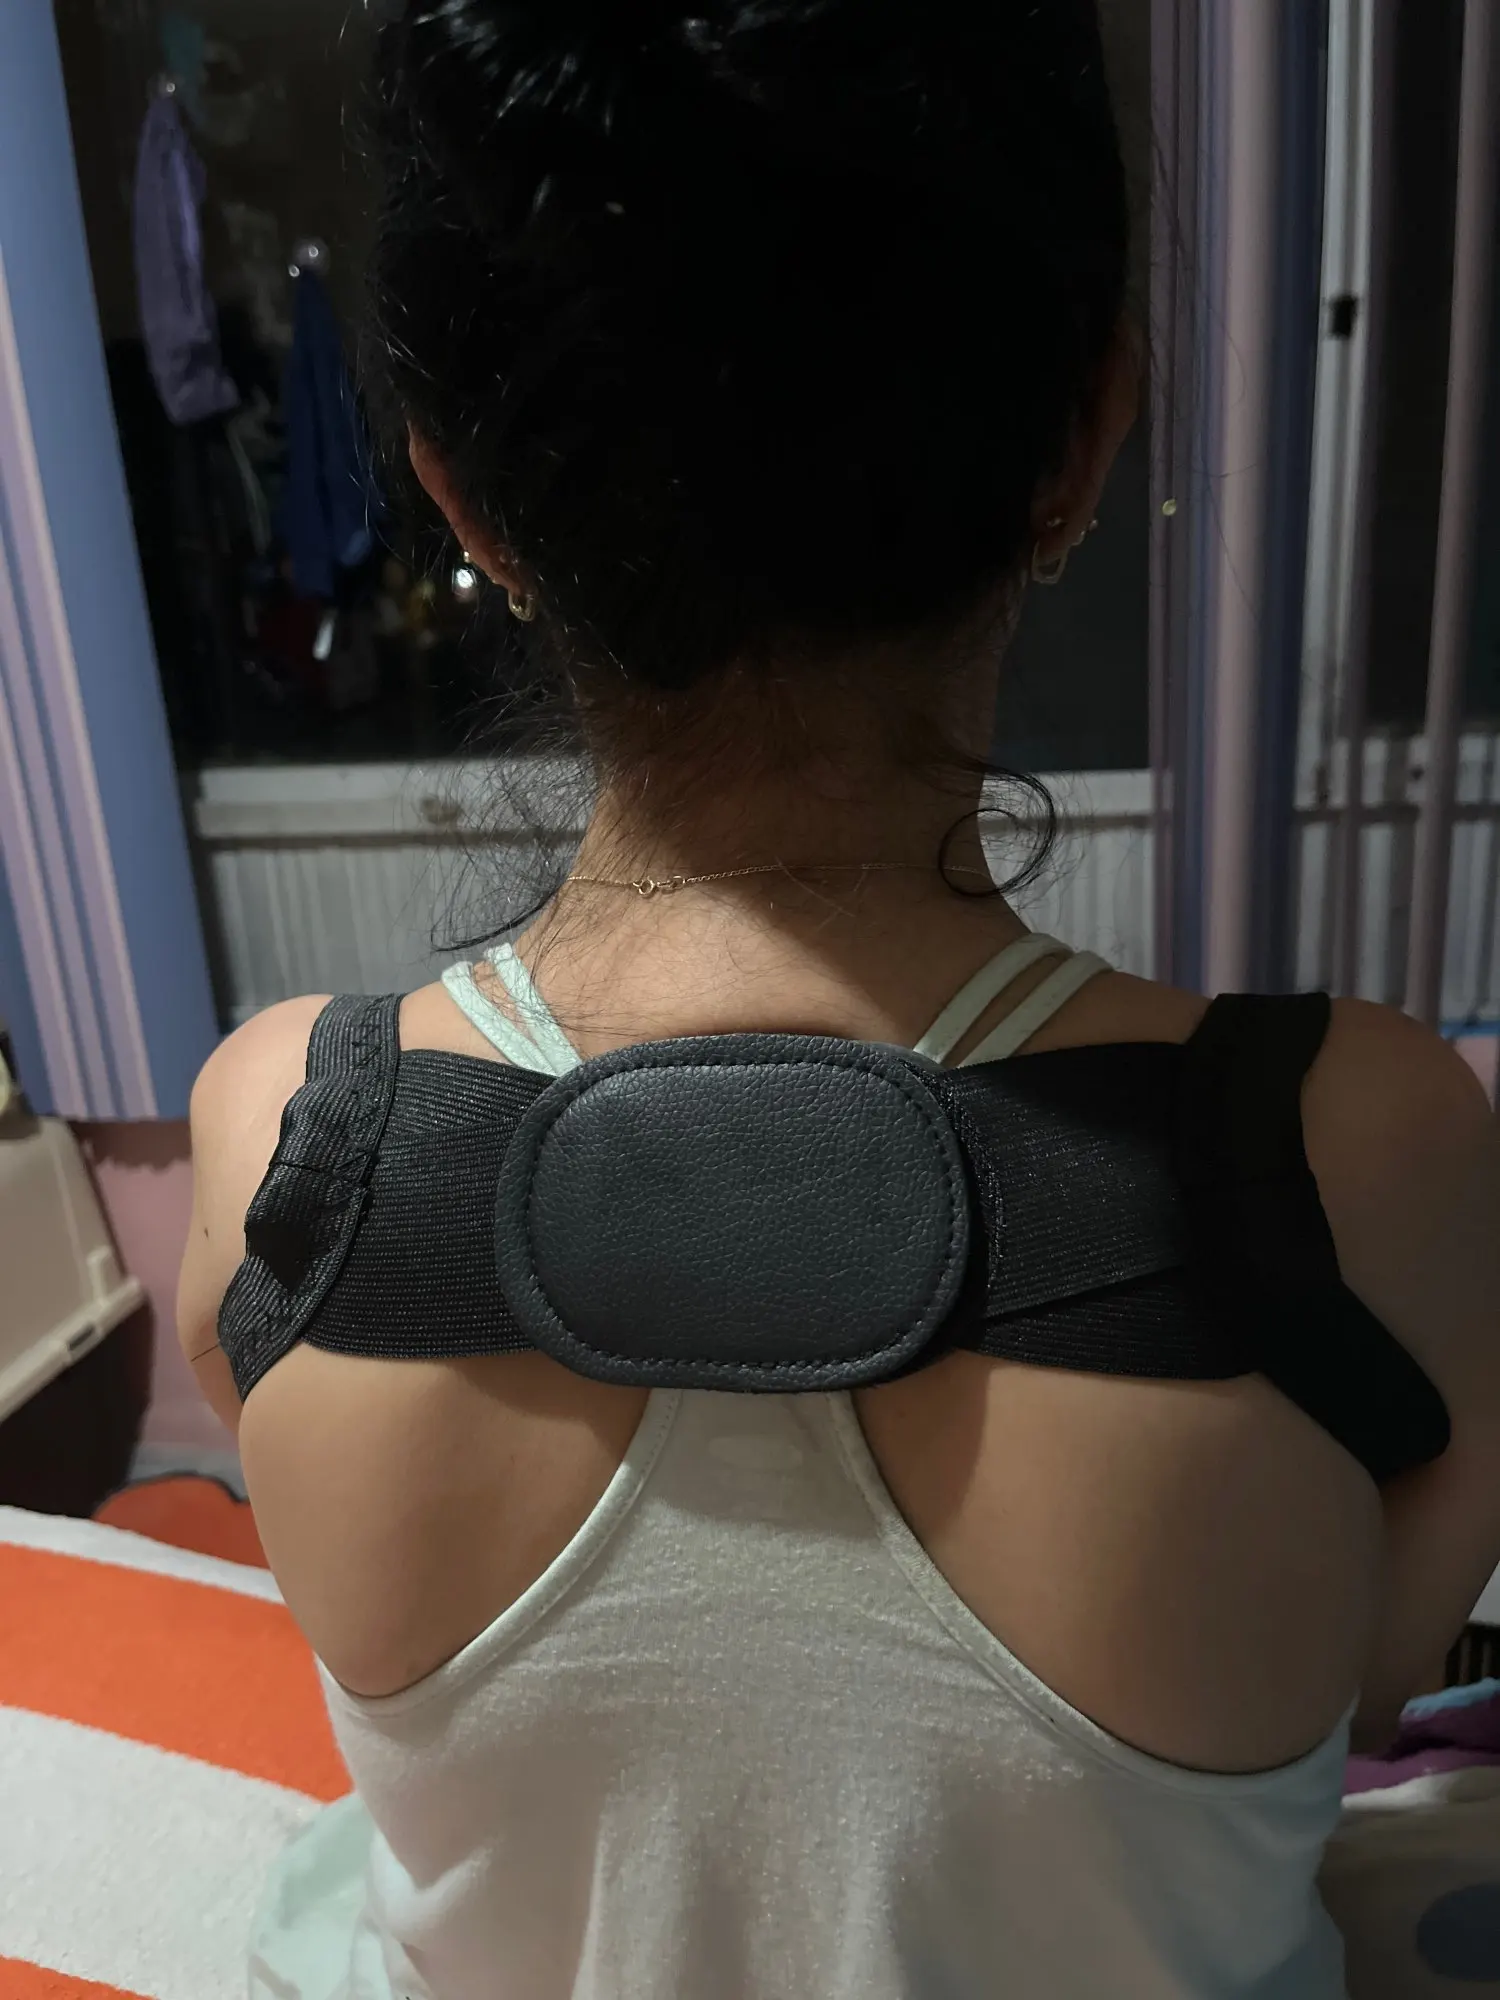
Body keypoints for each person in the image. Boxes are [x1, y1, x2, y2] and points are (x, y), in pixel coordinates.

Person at [178, 4, 1500, 1994]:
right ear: (1089, 427)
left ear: (460, 498)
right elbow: (1361, 1687)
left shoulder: (282, 1134)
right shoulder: (1364, 1156)